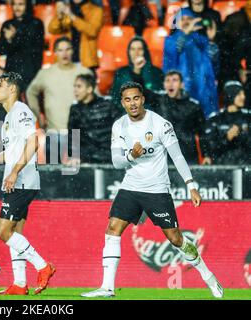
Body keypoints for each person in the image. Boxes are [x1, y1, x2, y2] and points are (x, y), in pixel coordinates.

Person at [80, 82, 223, 298]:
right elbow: (117, 162)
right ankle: (107, 288)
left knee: (175, 239)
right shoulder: (119, 125)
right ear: (122, 103)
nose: (132, 103)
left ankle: (208, 276)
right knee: (112, 229)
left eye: (136, 98)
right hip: (130, 186)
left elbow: (177, 156)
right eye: (127, 100)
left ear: (143, 99)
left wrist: (191, 185)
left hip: (156, 189)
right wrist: (131, 157)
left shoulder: (160, 124)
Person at [0, 72, 55, 296]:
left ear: (13, 89)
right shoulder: (9, 117)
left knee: (3, 230)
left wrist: (15, 172)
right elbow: (14, 152)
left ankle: (43, 266)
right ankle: (19, 283)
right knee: (15, 232)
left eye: (0, 85)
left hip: (22, 181)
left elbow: (34, 140)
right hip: (20, 179)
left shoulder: (21, 111)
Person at [26, 37, 92, 164]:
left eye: (68, 49)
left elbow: (96, 98)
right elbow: (30, 92)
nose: (65, 53)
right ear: (55, 53)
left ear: (73, 51)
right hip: (54, 132)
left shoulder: (84, 72)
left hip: (80, 134)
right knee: (54, 175)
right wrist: (38, 117)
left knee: (79, 175)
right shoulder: (46, 74)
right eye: (60, 50)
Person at [163, 7, 219, 118]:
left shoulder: (202, 40)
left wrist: (212, 40)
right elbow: (170, 62)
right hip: (183, 90)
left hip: (204, 90)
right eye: (182, 19)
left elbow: (214, 65)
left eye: (189, 18)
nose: (186, 21)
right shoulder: (170, 40)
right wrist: (184, 35)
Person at [154, 70, 205, 165]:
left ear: (182, 85)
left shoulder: (193, 106)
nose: (170, 84)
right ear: (164, 85)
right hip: (164, 157)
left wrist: (207, 155)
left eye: (174, 80)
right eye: (167, 80)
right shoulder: (158, 101)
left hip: (187, 155)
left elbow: (202, 133)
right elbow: (140, 91)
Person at [67, 73, 119, 165]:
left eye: (79, 86)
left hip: (108, 155)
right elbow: (72, 137)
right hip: (86, 157)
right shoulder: (75, 109)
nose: (75, 90)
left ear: (89, 89)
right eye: (74, 86)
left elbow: (120, 131)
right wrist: (75, 156)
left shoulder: (108, 105)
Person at [0, 0, 44, 88]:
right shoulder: (8, 24)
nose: (17, 8)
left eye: (21, 4)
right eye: (14, 4)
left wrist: (15, 37)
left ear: (27, 6)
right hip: (12, 71)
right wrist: (8, 40)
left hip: (30, 72)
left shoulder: (36, 24)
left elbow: (34, 48)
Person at [201, 81, 251, 165]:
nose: (243, 97)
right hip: (222, 169)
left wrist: (242, 135)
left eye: (243, 94)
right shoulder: (215, 119)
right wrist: (226, 138)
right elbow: (209, 148)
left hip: (246, 168)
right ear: (230, 95)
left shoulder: (248, 117)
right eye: (239, 94)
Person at [48, 0, 103, 73]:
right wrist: (59, 15)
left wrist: (72, 16)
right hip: (67, 61)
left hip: (86, 62)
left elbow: (92, 31)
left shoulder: (96, 10)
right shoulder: (66, 7)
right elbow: (52, 29)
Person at [110, 36, 163, 111]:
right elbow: (115, 98)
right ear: (128, 52)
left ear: (145, 52)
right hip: (126, 115)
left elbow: (159, 99)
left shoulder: (156, 72)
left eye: (140, 49)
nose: (136, 53)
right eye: (133, 49)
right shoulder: (121, 72)